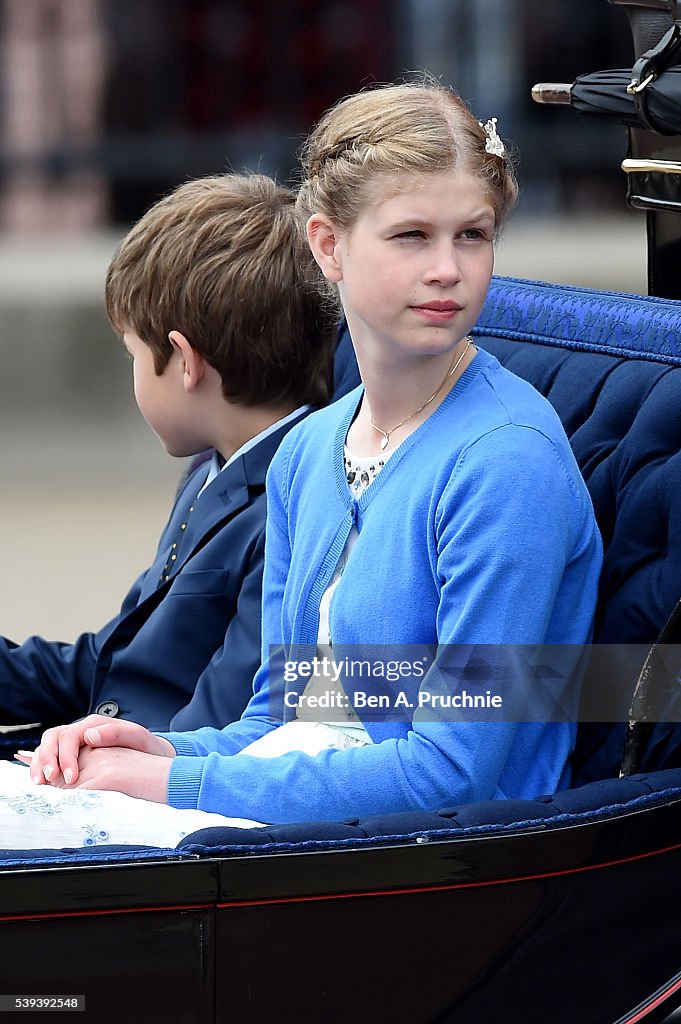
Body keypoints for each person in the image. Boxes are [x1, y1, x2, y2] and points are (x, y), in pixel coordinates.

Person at [16, 78, 602, 843]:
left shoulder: (504, 462)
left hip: (441, 867)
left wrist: (172, 779)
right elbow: (280, 715)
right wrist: (147, 749)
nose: (448, 270)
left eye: (473, 235)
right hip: (310, 832)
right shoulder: (307, 448)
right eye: (410, 235)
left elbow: (451, 771)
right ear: (327, 245)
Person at [0, 172, 337, 740]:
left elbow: (216, 728)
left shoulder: (294, 503)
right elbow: (111, 664)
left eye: (132, 351)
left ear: (185, 361)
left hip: (151, 787)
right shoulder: (210, 471)